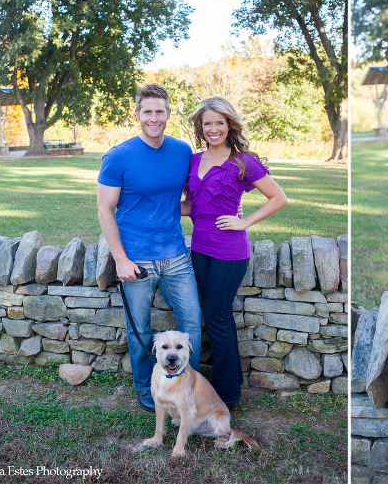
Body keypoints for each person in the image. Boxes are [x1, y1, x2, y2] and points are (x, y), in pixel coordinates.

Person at [97, 84, 203, 412]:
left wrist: (224, 209)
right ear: (138, 115)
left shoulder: (182, 151)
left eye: (160, 111)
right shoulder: (118, 157)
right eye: (148, 112)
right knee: (139, 327)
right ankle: (146, 386)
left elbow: (184, 201)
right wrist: (120, 259)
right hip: (136, 258)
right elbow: (105, 209)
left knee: (192, 320)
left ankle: (187, 385)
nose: (154, 118)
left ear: (169, 114)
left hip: (175, 253)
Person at [182, 96, 287, 405]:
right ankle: (224, 385)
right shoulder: (193, 160)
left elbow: (278, 197)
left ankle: (227, 394)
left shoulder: (243, 161)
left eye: (219, 122)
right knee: (212, 314)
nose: (213, 128)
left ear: (229, 125)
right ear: (200, 127)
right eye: (207, 123)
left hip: (229, 251)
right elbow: (194, 206)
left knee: (216, 315)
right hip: (200, 247)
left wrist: (245, 223)